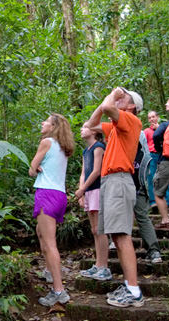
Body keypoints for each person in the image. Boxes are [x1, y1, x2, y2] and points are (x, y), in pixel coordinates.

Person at [88, 87, 144, 308]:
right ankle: (130, 286)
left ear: (132, 107)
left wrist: (113, 93)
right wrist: (106, 103)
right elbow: (90, 125)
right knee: (116, 236)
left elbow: (109, 107)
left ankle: (134, 290)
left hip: (119, 179)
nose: (120, 99)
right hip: (111, 181)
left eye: (125, 98)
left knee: (121, 235)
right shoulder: (117, 128)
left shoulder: (131, 120)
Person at [29, 113, 75, 306]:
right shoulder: (63, 147)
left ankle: (59, 290)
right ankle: (49, 271)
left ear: (53, 126)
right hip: (60, 196)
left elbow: (32, 168)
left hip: (46, 193)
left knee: (49, 244)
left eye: (46, 121)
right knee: (41, 233)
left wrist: (35, 168)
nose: (42, 122)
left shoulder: (46, 142)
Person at [74, 122, 110, 280]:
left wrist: (83, 188)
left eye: (85, 127)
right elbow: (83, 172)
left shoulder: (98, 147)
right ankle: (98, 264)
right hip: (88, 191)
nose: (81, 130)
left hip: (98, 189)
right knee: (94, 229)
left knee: (100, 229)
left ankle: (104, 266)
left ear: (94, 131)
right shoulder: (85, 150)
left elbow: (96, 171)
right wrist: (81, 191)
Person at [134, 131, 162, 264]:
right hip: (126, 185)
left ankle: (153, 249)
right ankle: (152, 250)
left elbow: (146, 167)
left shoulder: (142, 153)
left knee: (142, 217)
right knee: (140, 217)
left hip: (138, 186)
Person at [144, 111, 169, 209]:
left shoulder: (164, 128)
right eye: (150, 118)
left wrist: (159, 129)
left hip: (162, 154)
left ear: (157, 117)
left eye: (153, 117)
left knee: (165, 177)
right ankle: (153, 201)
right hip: (151, 156)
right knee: (151, 177)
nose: (152, 119)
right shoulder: (146, 131)